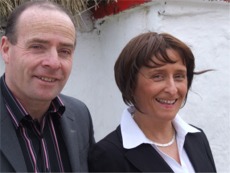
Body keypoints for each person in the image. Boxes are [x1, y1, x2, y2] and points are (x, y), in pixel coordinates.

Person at [88, 32, 216, 172]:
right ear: (131, 83)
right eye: (158, 76)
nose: (172, 90)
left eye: (179, 76)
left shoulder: (197, 138)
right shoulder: (108, 155)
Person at [0, 1, 95, 172]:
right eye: (37, 47)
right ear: (6, 49)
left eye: (64, 51)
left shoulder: (80, 115)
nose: (53, 63)